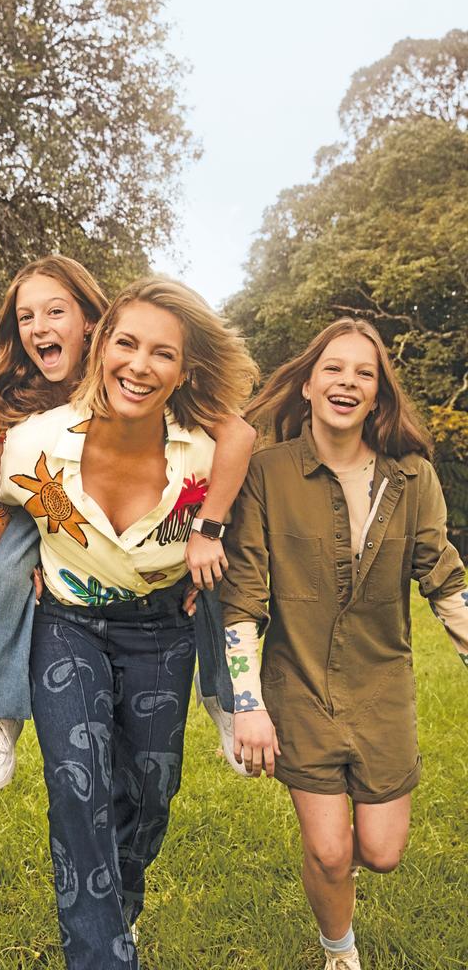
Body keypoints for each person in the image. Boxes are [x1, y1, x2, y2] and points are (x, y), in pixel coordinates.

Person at [0, 276, 258, 968]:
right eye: (127, 344)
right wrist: (7, 568)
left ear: (184, 369)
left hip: (162, 630)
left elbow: (242, 432)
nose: (139, 366)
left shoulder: (202, 449)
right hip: (69, 624)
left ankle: (117, 912)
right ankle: (102, 955)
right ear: (101, 345)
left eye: (162, 354)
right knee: (78, 785)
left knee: (151, 789)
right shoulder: (33, 444)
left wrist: (209, 527)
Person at [219, 319, 468, 970]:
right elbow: (242, 597)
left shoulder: (411, 477)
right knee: (331, 851)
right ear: (307, 384)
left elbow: (442, 577)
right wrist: (249, 704)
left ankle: (330, 863)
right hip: (298, 688)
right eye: (334, 368)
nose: (347, 381)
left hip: (383, 690)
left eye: (365, 373)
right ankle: (340, 952)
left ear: (379, 396)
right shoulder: (264, 474)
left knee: (380, 854)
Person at [0, 257, 256, 791]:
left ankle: (225, 698)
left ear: (93, 326)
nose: (40, 327)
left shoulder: (131, 370)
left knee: (217, 566)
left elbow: (236, 433)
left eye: (56, 311)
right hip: (44, 506)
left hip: (146, 507)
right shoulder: (21, 400)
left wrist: (207, 526)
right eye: (26, 317)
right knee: (6, 571)